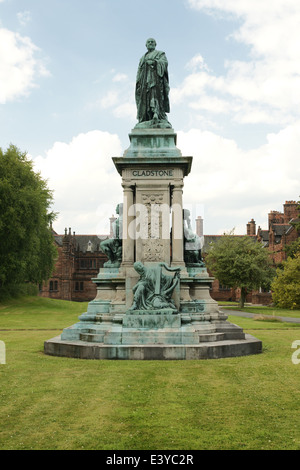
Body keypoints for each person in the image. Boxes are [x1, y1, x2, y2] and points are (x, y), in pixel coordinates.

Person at [135, 38, 171, 127]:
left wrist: (155, 63)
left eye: (152, 42)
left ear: (155, 44)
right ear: (146, 45)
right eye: (148, 42)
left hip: (156, 80)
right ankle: (146, 117)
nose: (150, 43)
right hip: (144, 82)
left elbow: (164, 63)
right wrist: (138, 82)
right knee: (144, 99)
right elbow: (139, 70)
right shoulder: (142, 58)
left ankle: (157, 114)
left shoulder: (160, 54)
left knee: (155, 95)